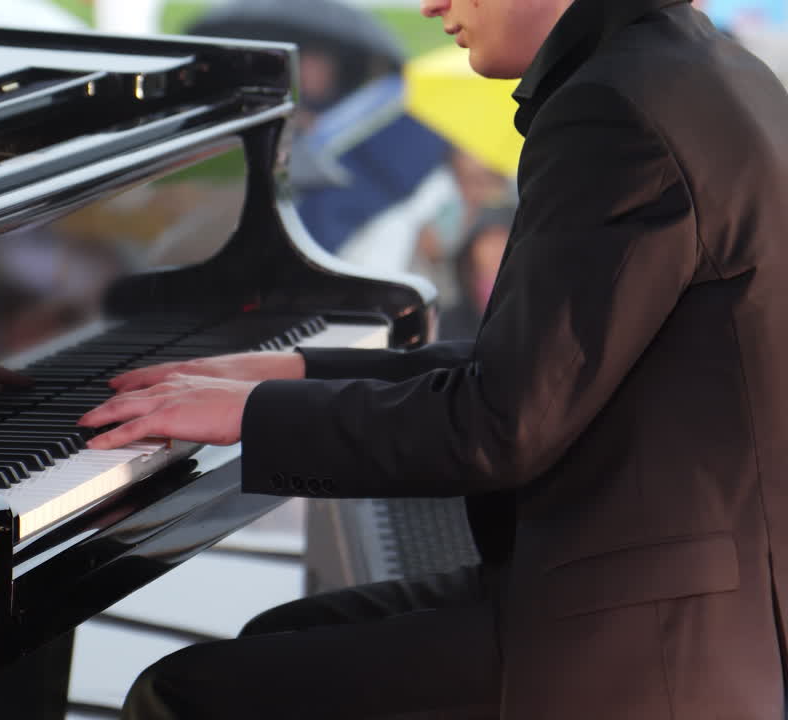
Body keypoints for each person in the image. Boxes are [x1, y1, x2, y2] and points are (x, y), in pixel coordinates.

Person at [77, 0, 788, 716]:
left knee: (182, 695)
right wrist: (297, 371)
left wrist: (252, 415)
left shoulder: (613, 109)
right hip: (681, 589)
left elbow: (503, 425)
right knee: (279, 633)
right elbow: (544, 368)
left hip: (645, 635)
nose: (431, 5)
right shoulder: (705, 68)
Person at [438, 204, 515, 341]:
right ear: (472, 249)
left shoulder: (535, 313)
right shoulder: (447, 322)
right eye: (488, 240)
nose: (496, 249)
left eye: (503, 239)